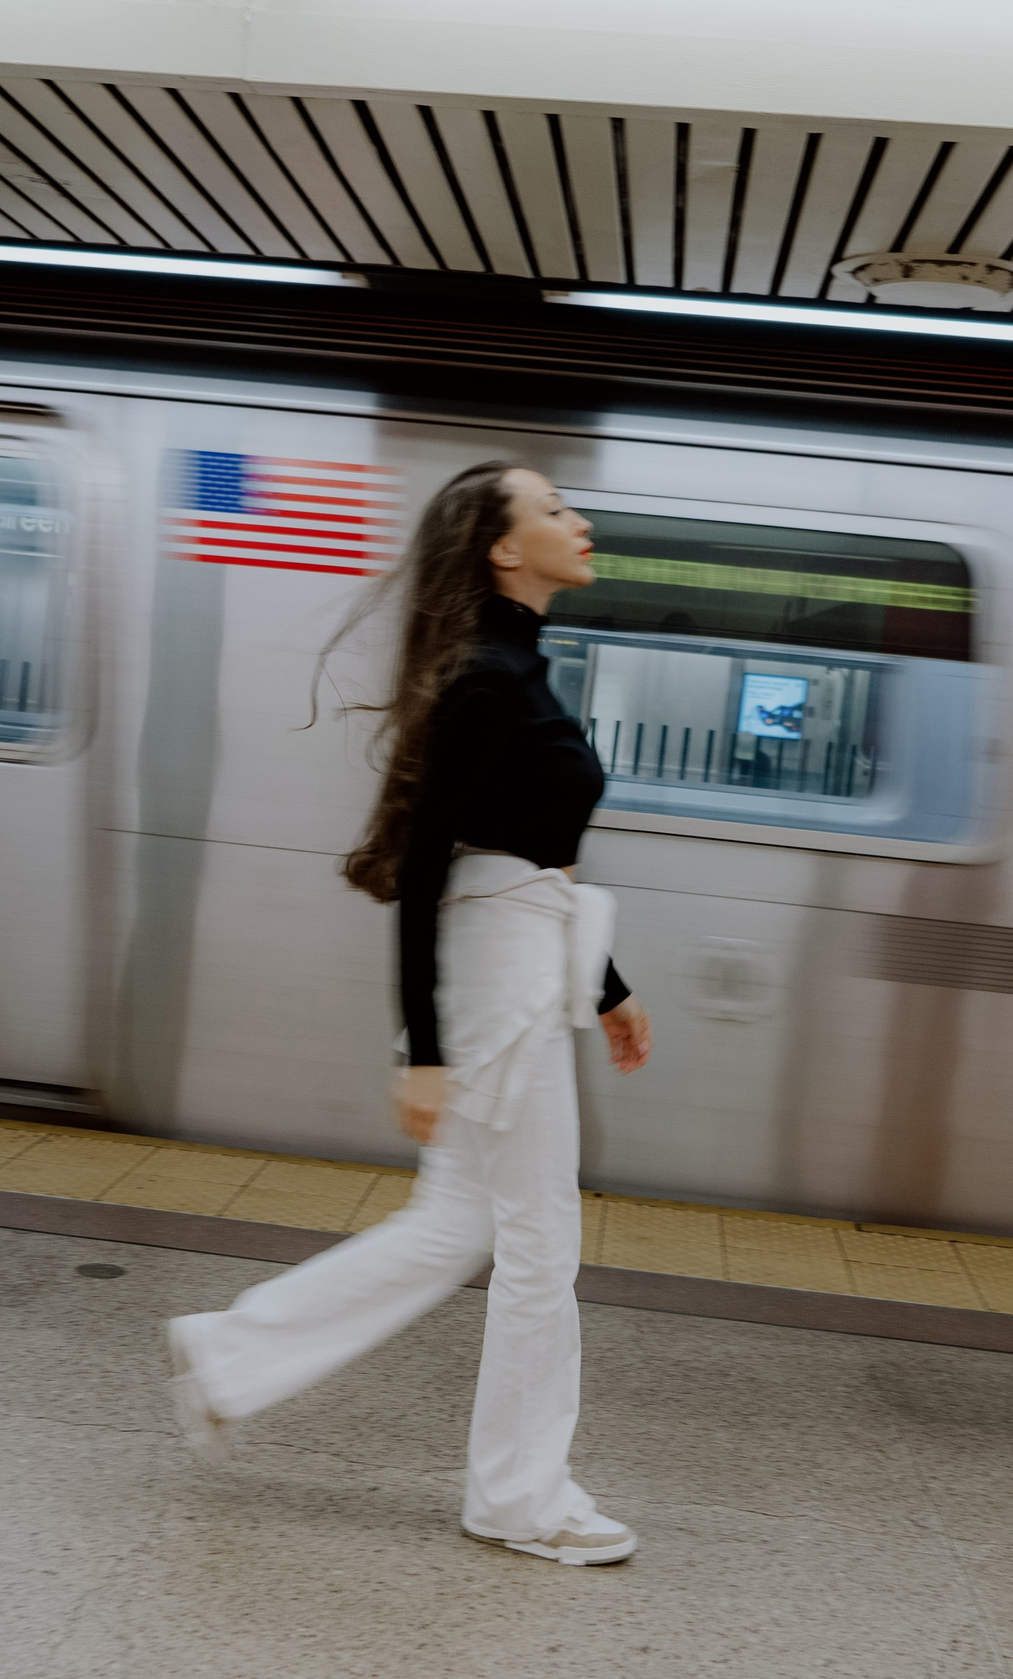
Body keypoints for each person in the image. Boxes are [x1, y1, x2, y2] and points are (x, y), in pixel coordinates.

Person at [165, 459, 655, 1566]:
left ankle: (229, 1356)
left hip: (525, 953)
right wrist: (425, 1053)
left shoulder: (519, 669)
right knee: (539, 1245)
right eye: (555, 509)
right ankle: (519, 1498)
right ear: (499, 547)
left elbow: (535, 857)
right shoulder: (487, 675)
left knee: (461, 1228)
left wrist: (610, 986)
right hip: (495, 970)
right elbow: (434, 867)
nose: (580, 522)